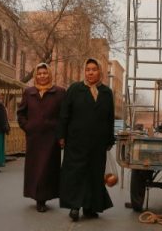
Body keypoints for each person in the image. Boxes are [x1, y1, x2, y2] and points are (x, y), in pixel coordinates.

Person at [59, 58, 115, 221]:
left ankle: (90, 207)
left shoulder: (106, 92)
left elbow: (109, 117)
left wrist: (109, 139)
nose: (90, 72)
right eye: (88, 69)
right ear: (84, 71)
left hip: (97, 143)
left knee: (94, 174)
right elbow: (64, 114)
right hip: (76, 141)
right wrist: (61, 135)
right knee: (76, 173)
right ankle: (75, 206)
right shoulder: (75, 89)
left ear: (100, 72)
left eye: (94, 69)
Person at [17, 63, 66, 212]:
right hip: (34, 138)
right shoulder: (29, 92)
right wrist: (28, 126)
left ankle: (43, 198)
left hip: (52, 138)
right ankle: (38, 197)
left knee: (47, 169)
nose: (42, 76)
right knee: (36, 168)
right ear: (35, 76)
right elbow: (21, 113)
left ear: (49, 75)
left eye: (45, 73)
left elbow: (64, 115)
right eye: (39, 74)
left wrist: (61, 134)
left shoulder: (59, 92)